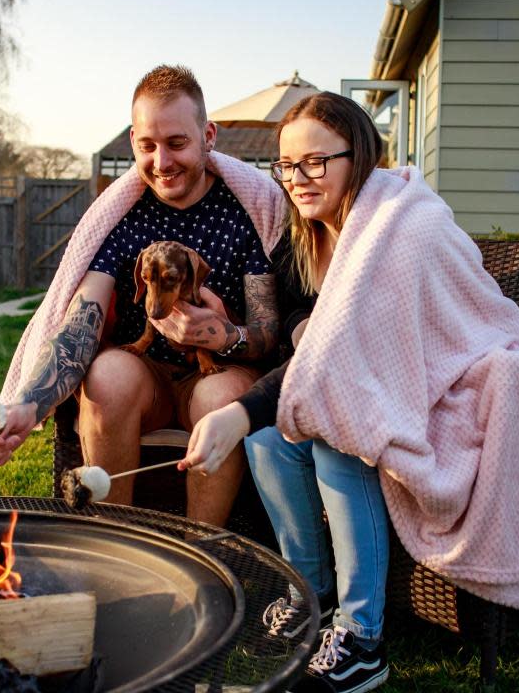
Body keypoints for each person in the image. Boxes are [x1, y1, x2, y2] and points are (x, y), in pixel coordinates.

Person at [0, 64, 285, 527]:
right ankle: (116, 539)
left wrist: (225, 336)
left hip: (219, 374)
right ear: (133, 143)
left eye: (177, 143)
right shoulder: (124, 218)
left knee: (220, 395)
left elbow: (270, 333)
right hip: (149, 379)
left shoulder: (245, 214)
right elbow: (82, 320)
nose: (162, 162)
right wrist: (27, 405)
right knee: (108, 373)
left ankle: (204, 553)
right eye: (148, 146)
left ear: (208, 136)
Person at [180, 92, 394, 693]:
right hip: (338, 386)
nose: (298, 179)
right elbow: (297, 322)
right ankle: (312, 594)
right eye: (287, 165)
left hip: (406, 393)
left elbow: (348, 346)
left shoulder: (386, 229)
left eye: (316, 163)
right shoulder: (301, 238)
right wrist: (299, 323)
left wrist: (238, 412)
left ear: (360, 158)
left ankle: (363, 638)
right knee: (273, 440)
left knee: (332, 439)